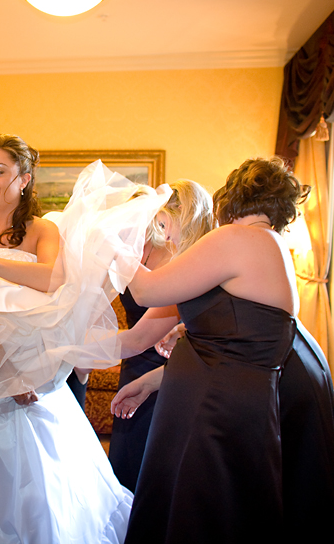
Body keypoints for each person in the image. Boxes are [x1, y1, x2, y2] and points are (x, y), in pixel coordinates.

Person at [0, 134, 168, 544]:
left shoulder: (42, 231)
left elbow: (54, 278)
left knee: (32, 496)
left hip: (24, 378)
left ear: (24, 178)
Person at [117, 157, 334, 544]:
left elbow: (146, 290)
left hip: (215, 409)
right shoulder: (271, 245)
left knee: (201, 512)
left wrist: (113, 241)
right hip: (238, 403)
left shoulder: (238, 238)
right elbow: (233, 343)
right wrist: (155, 380)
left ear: (232, 196)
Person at [108, 180, 213, 491]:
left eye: (165, 223)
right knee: (129, 464)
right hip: (150, 367)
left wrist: (65, 346)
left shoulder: (191, 261)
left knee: (163, 474)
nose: (164, 233)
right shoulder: (186, 254)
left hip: (180, 374)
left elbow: (141, 316)